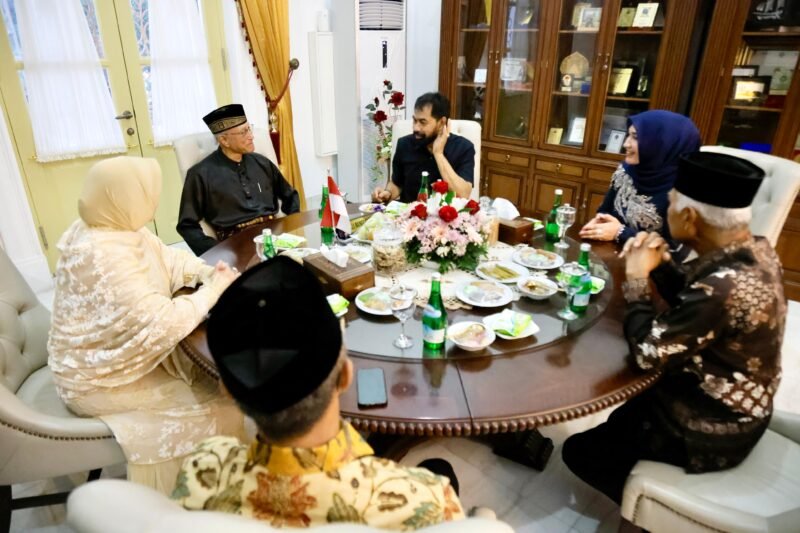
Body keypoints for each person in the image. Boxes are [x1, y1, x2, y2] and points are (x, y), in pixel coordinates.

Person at [173, 256, 466, 529]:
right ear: (346, 375)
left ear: (228, 390)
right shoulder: (428, 503)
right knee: (440, 469)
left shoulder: (201, 473)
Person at [562, 151, 785, 505]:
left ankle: (656, 511)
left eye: (671, 202)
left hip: (715, 424)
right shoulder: (755, 252)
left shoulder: (725, 288)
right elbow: (696, 298)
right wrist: (664, 264)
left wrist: (636, 277)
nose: (667, 209)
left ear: (688, 216)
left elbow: (648, 354)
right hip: (739, 403)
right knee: (621, 420)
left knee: (578, 452)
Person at [48, 156, 245, 494]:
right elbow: (161, 323)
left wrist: (205, 273)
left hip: (118, 355)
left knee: (216, 376)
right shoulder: (101, 254)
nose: (152, 200)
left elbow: (169, 259)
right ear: (122, 196)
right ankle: (189, 497)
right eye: (146, 193)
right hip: (101, 380)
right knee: (222, 406)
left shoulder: (115, 225)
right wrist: (213, 291)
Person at [177, 104, 301, 255]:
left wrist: (291, 231)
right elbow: (186, 225)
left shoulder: (262, 163)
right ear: (224, 140)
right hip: (235, 247)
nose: (251, 136)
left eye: (249, 129)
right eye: (243, 132)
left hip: (274, 238)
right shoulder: (200, 174)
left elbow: (290, 196)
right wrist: (216, 253)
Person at [579, 110, 700, 246]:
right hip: (610, 252)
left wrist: (621, 232)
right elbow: (605, 210)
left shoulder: (682, 191)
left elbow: (676, 250)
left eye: (635, 137)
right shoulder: (627, 170)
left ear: (661, 144)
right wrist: (598, 224)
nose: (626, 144)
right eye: (628, 135)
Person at [373, 92, 475, 203]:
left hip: (446, 217)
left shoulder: (464, 148)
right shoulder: (404, 144)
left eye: (422, 122)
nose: (415, 128)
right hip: (408, 215)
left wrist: (438, 154)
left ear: (442, 122)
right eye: (415, 120)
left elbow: (463, 194)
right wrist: (387, 193)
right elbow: (397, 184)